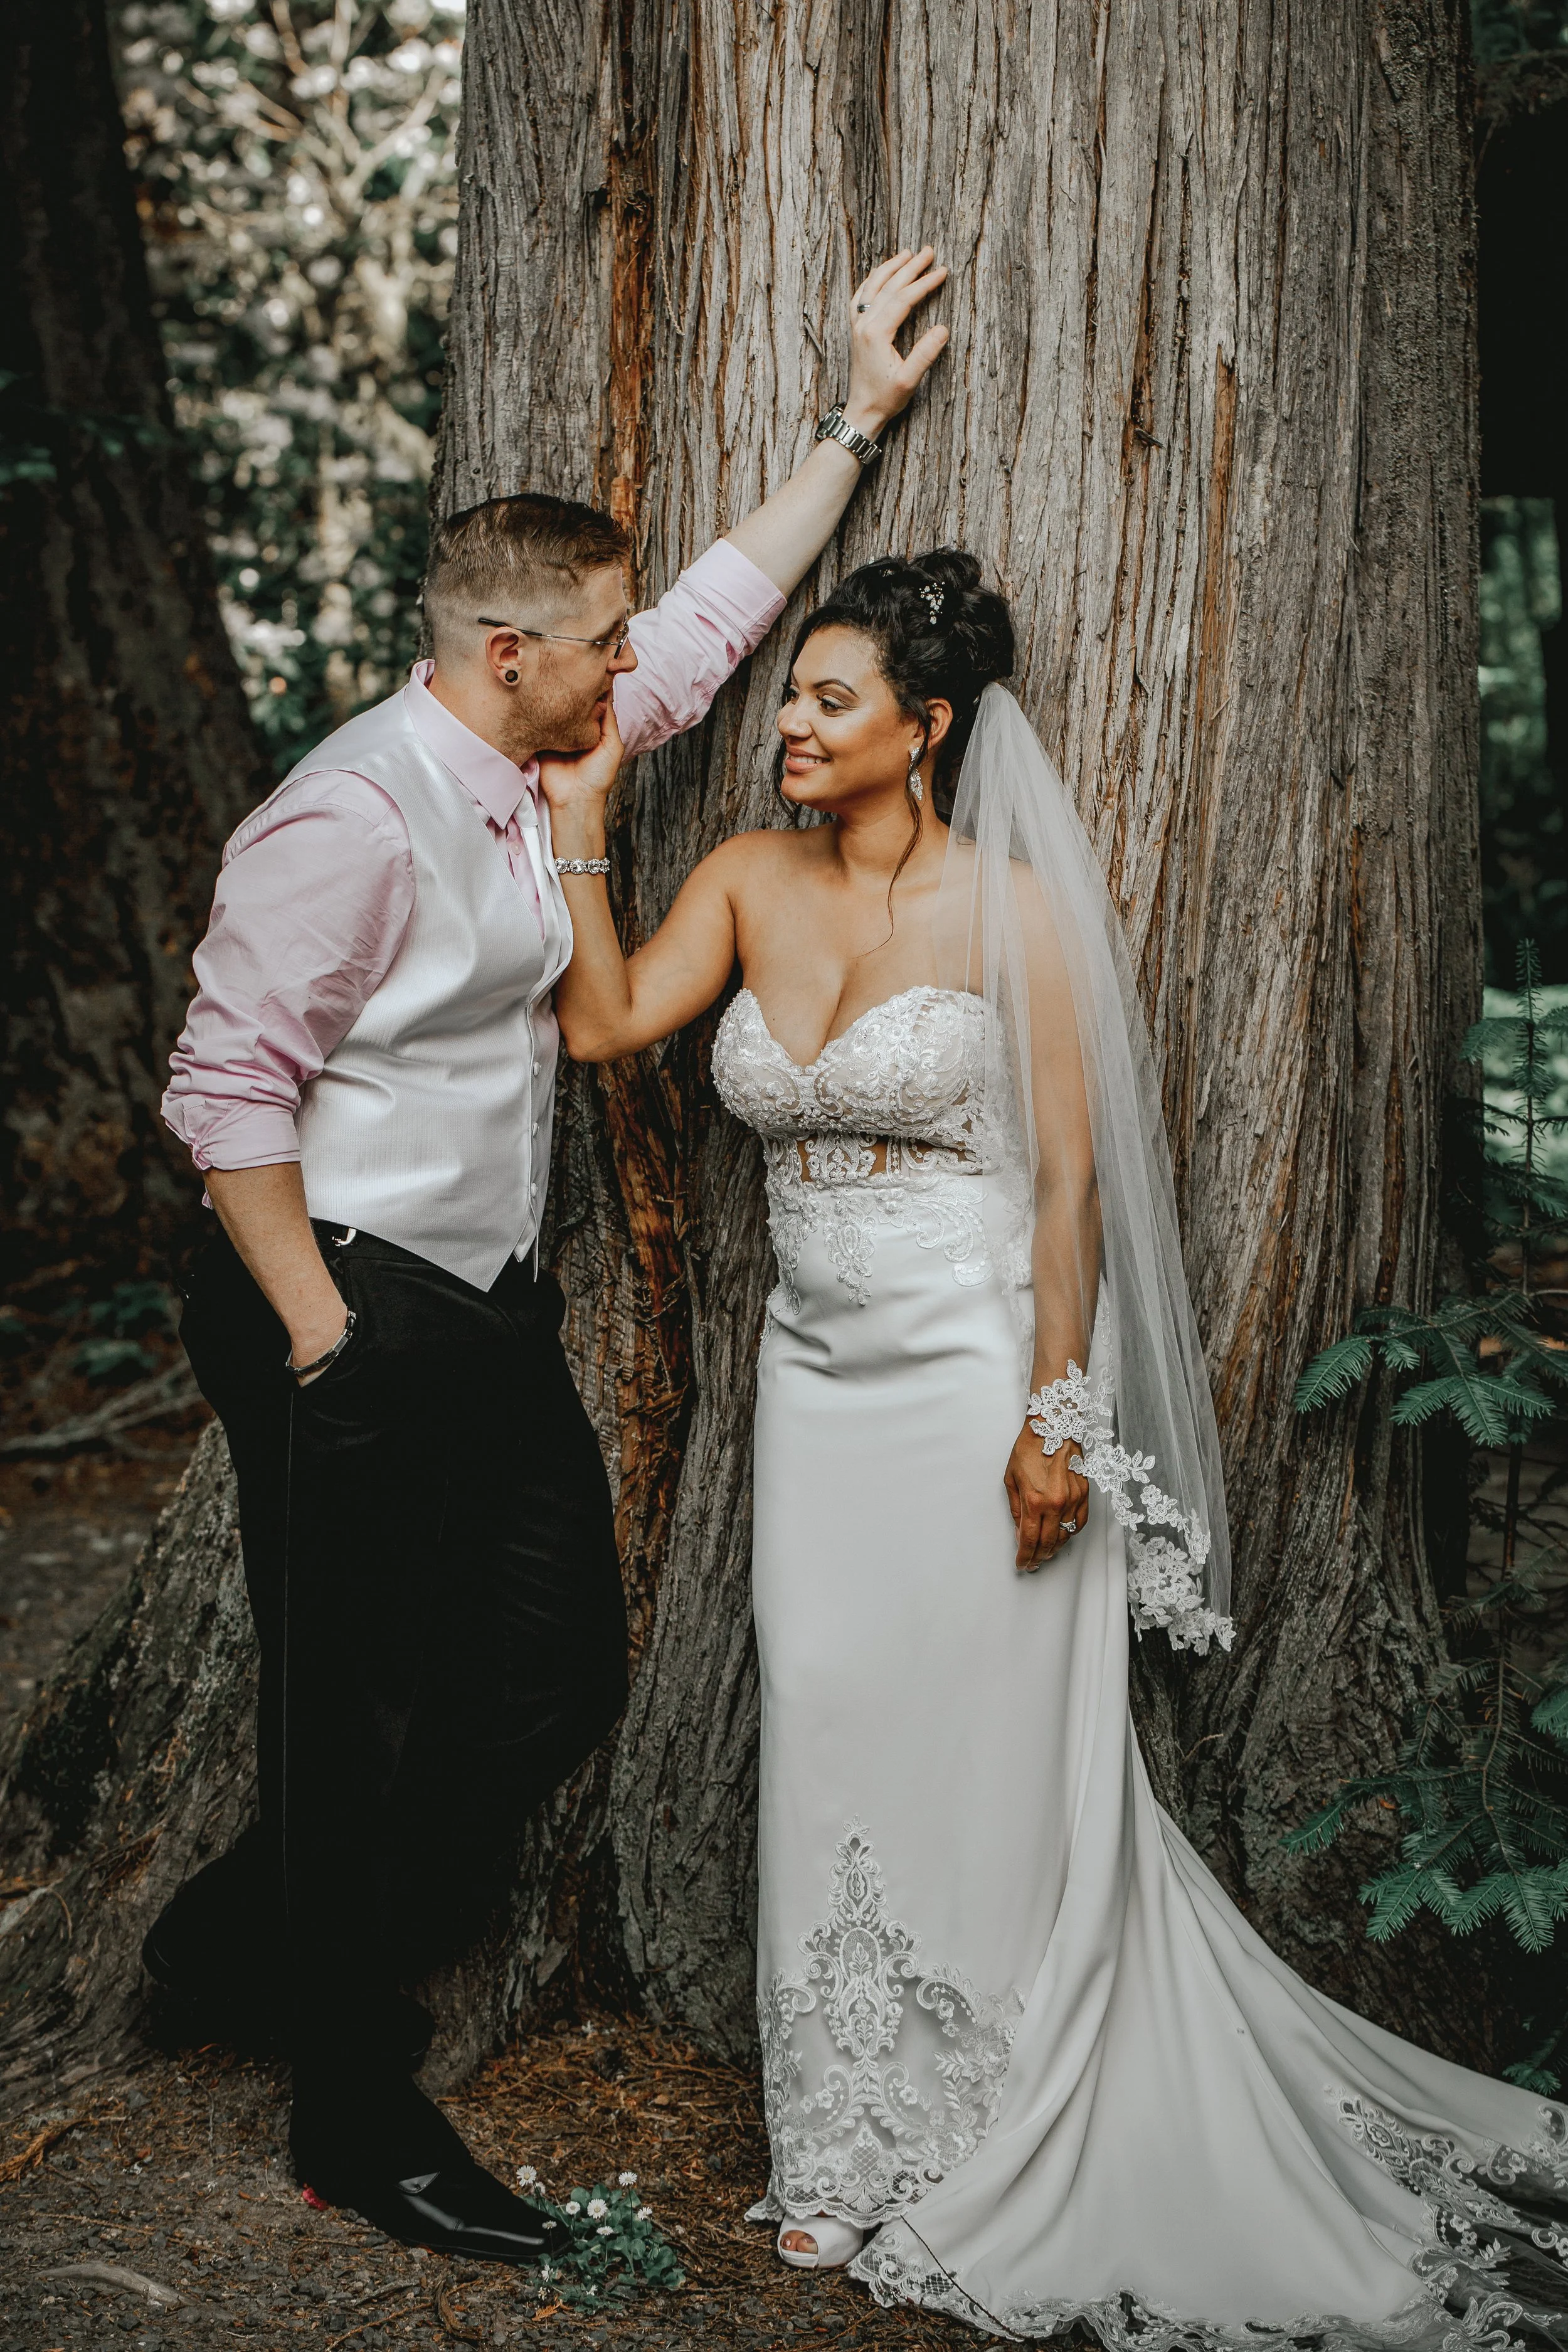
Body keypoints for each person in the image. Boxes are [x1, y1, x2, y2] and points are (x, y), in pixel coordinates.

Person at [544, 549, 1568, 2344]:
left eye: (830, 699)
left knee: (995, 1743)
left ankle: (1004, 2107)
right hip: (816, 1382)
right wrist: (574, 823)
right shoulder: (738, 877)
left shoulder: (1009, 909)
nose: (791, 723)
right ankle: (849, 2137)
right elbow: (607, 1018)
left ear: (922, 729)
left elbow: (1073, 1186)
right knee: (834, 1710)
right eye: (789, 694)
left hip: (966, 1376)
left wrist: (1052, 1416)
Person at [151, 249, 950, 2263]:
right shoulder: (347, 815)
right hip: (333, 1288)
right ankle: (351, 2102)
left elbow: (704, 609)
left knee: (553, 1667)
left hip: (473, 1300)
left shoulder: (530, 747)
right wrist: (327, 1340)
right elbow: (221, 1090)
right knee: (357, 1704)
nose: (641, 684)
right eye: (597, 654)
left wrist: (853, 421)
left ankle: (241, 1938)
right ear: (508, 652)